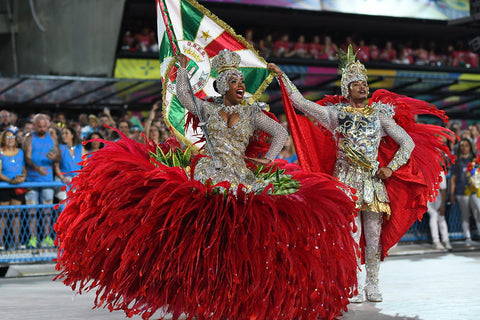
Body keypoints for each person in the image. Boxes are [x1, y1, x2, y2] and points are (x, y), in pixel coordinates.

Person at [55, 49, 359, 320]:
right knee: (206, 239)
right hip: (210, 175)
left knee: (242, 239)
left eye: (242, 81)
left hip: (241, 177)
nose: (241, 86)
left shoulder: (252, 112)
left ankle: (238, 293)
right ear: (223, 85)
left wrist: (268, 158)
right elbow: (185, 98)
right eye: (235, 82)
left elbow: (280, 133)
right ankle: (202, 291)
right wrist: (183, 69)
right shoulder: (208, 109)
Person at [268, 46, 452, 303]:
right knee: (351, 235)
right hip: (345, 181)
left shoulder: (380, 116)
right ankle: (353, 283)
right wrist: (282, 77)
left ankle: (373, 284)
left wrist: (391, 167)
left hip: (373, 182)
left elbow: (407, 143)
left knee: (373, 236)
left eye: (364, 83)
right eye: (356, 84)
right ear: (346, 89)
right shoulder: (336, 115)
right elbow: (300, 103)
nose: (362, 87)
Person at [23, 113, 60, 248]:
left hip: (47, 179)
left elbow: (58, 158)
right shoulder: (29, 138)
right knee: (32, 210)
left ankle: (46, 237)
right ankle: (33, 238)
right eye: (39, 126)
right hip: (32, 179)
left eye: (44, 126)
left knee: (47, 211)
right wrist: (36, 168)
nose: (42, 129)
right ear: (34, 126)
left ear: (48, 125)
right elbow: (27, 157)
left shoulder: (53, 137)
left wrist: (54, 157)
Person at [0, 128, 27, 250]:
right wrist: (10, 181)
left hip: (18, 187)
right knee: (3, 215)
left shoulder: (20, 152)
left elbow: (23, 169)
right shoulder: (0, 152)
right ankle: (1, 243)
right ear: (3, 139)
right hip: (5, 187)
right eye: (7, 137)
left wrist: (22, 178)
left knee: (16, 215)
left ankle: (17, 242)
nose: (10, 139)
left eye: (12, 137)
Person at [450, 138, 479, 246]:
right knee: (465, 215)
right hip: (461, 191)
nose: (464, 148)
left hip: (475, 192)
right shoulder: (456, 161)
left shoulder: (474, 160)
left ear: (470, 147)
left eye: (466, 145)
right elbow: (453, 179)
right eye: (462, 145)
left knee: (478, 213)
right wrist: (452, 194)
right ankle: (468, 237)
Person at [54, 126, 83, 201]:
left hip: (76, 180)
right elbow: (56, 167)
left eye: (66, 133)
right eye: (62, 133)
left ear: (72, 135)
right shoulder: (59, 148)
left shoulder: (80, 148)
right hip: (62, 179)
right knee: (64, 202)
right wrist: (63, 178)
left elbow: (85, 165)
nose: (64, 135)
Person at [427, 170, 451, 250]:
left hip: (437, 197)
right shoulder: (424, 169)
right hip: (426, 196)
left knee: (441, 217)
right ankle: (436, 241)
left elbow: (443, 190)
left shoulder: (440, 172)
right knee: (434, 215)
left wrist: (442, 205)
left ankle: (446, 240)